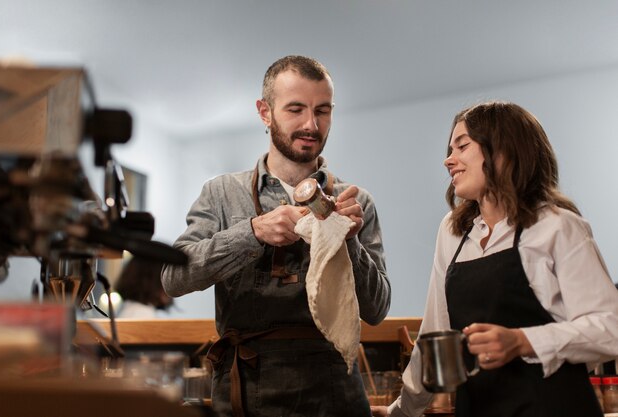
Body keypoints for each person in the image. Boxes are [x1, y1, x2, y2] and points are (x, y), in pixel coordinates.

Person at [162, 55, 390, 417]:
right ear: (265, 112)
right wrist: (251, 233)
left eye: (323, 111)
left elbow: (377, 310)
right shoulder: (220, 192)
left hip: (335, 389)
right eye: (296, 109)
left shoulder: (356, 202)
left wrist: (349, 240)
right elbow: (173, 278)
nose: (311, 125)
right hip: (247, 385)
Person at [374, 101, 618, 417]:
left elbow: (610, 329)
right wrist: (401, 412)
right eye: (450, 149)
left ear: (503, 151)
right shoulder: (452, 231)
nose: (449, 160)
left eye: (462, 146)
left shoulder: (557, 226)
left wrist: (521, 341)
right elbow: (436, 335)